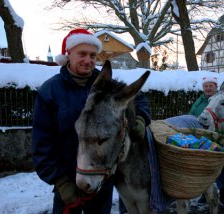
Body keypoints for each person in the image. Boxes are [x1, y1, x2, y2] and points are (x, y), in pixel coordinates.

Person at [31, 28, 151, 214]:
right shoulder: (50, 92)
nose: (88, 60)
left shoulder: (104, 84)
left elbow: (138, 98)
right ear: (68, 54)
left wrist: (142, 119)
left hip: (102, 180)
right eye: (82, 54)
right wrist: (61, 183)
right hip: (68, 182)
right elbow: (42, 144)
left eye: (93, 55)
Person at [189, 76, 224, 209]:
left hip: (219, 140)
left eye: (211, 86)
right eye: (206, 86)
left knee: (222, 171)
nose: (208, 88)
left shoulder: (222, 101)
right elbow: (191, 116)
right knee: (204, 170)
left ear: (215, 87)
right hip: (203, 141)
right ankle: (205, 194)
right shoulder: (199, 101)